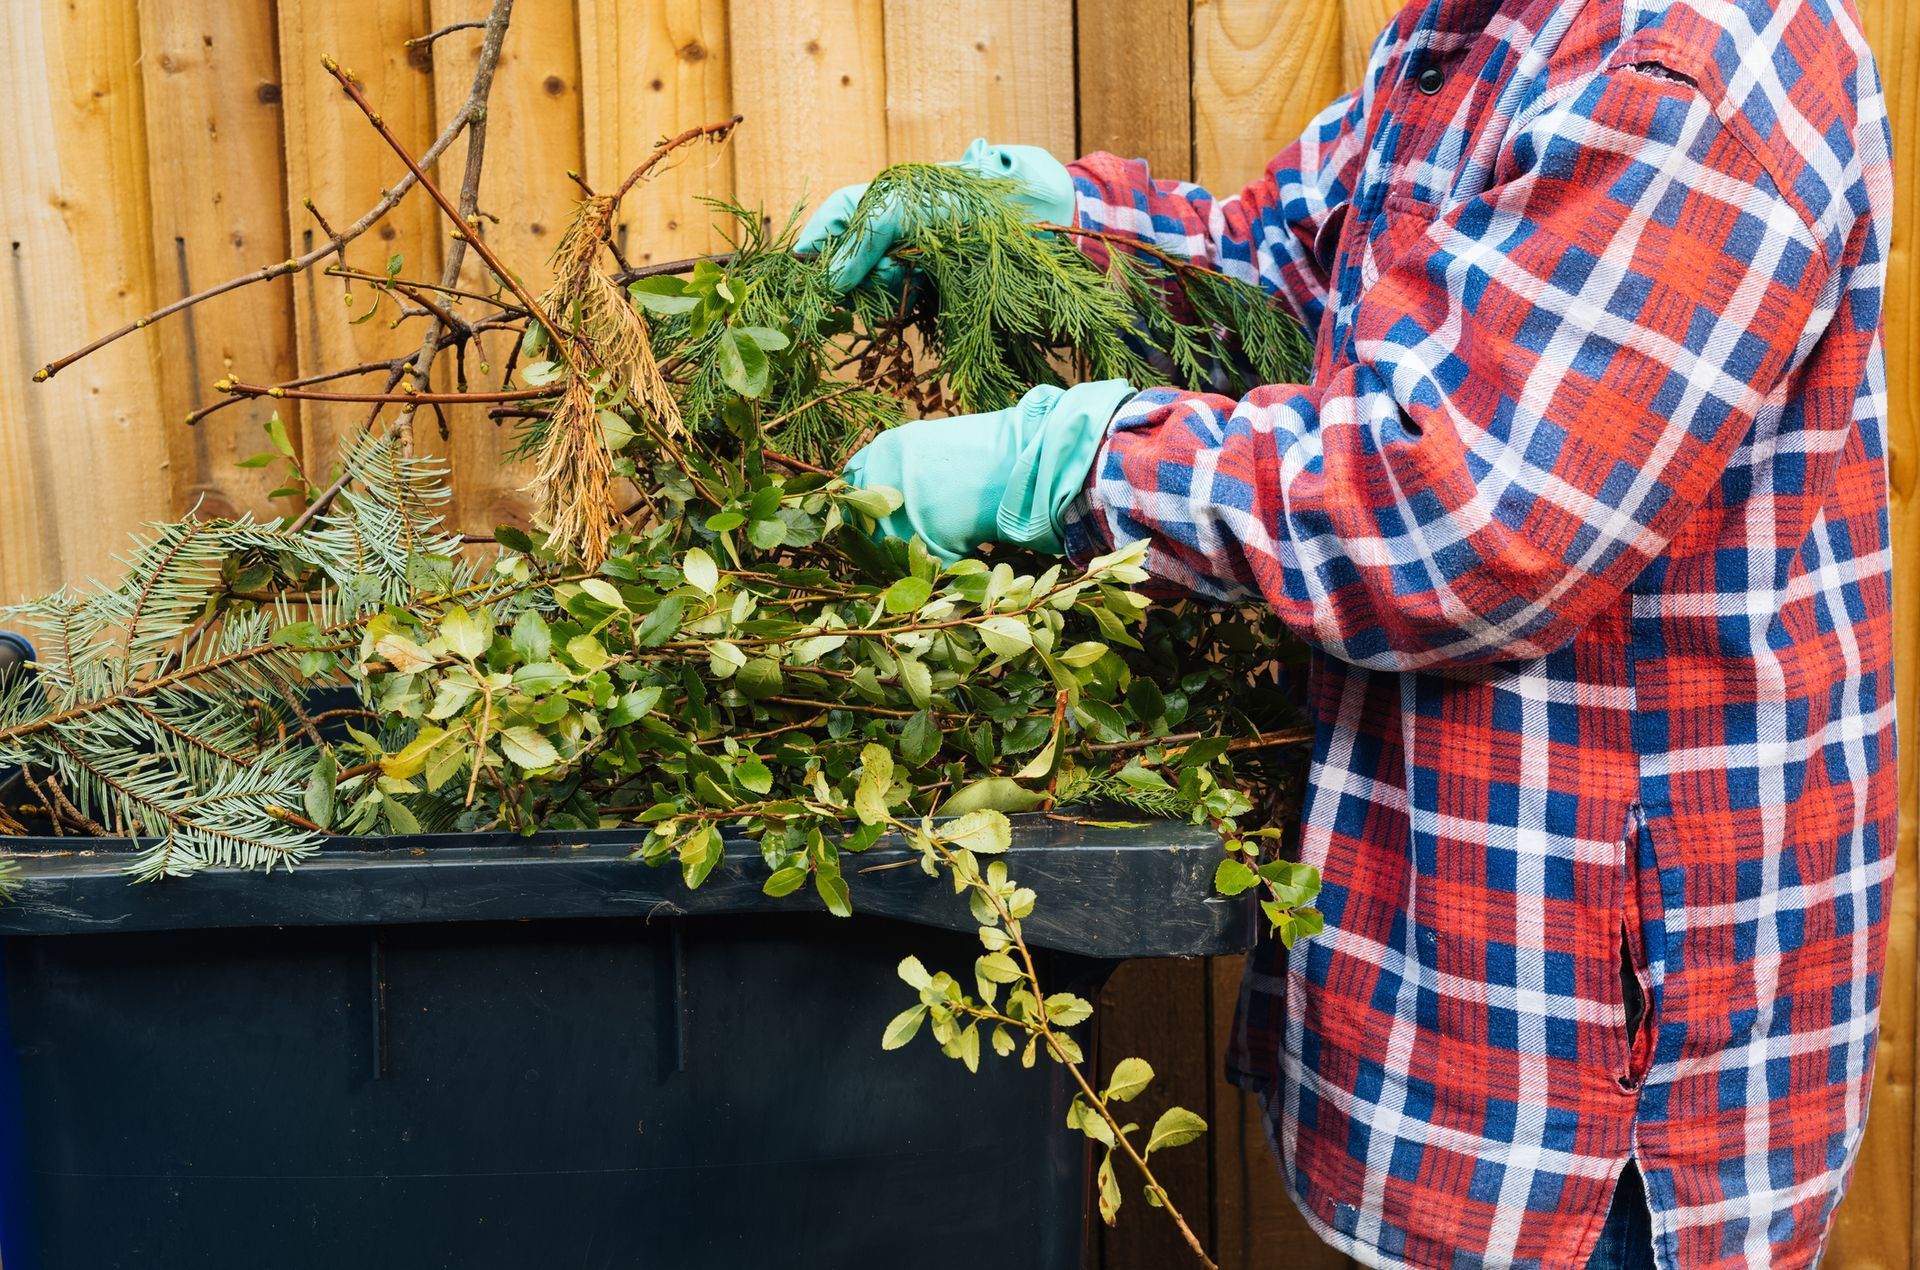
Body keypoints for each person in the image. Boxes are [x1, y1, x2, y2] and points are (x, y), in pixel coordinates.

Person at [797, 0, 1896, 1265]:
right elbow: (1303, 282)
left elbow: (1463, 514)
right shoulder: (1478, 25)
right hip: (1433, 974)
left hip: (1596, 1077)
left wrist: (1074, 465)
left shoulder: (1700, 62)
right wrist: (1051, 231)